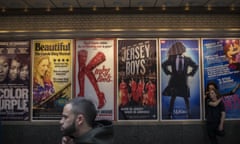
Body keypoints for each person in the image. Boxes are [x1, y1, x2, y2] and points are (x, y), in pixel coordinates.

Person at [162, 42, 198, 119]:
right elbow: (163, 64)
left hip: (183, 81)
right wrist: (168, 72)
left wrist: (190, 74)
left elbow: (195, 66)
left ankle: (189, 113)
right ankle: (170, 113)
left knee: (186, 98)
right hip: (174, 81)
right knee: (173, 97)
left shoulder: (187, 59)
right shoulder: (172, 58)